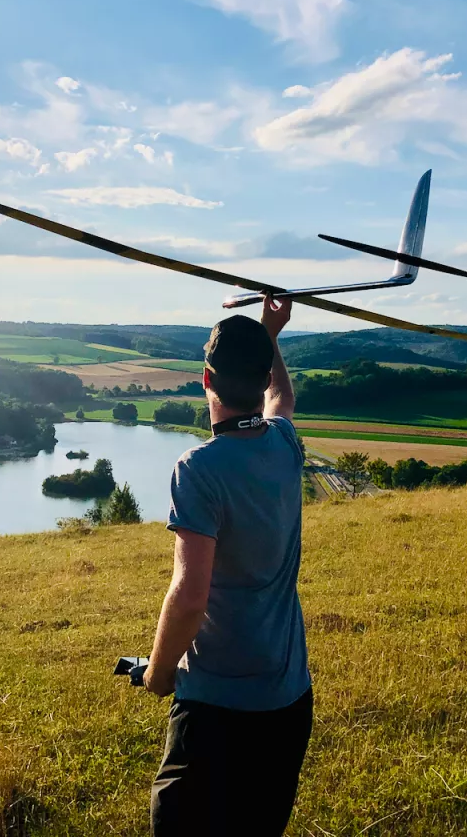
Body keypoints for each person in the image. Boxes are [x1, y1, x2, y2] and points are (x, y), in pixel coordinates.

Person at [144, 297, 311, 836]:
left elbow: (190, 596)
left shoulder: (198, 468)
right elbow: (282, 397)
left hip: (217, 706)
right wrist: (272, 334)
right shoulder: (285, 444)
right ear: (261, 376)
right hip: (288, 699)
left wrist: (159, 672)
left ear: (205, 379)